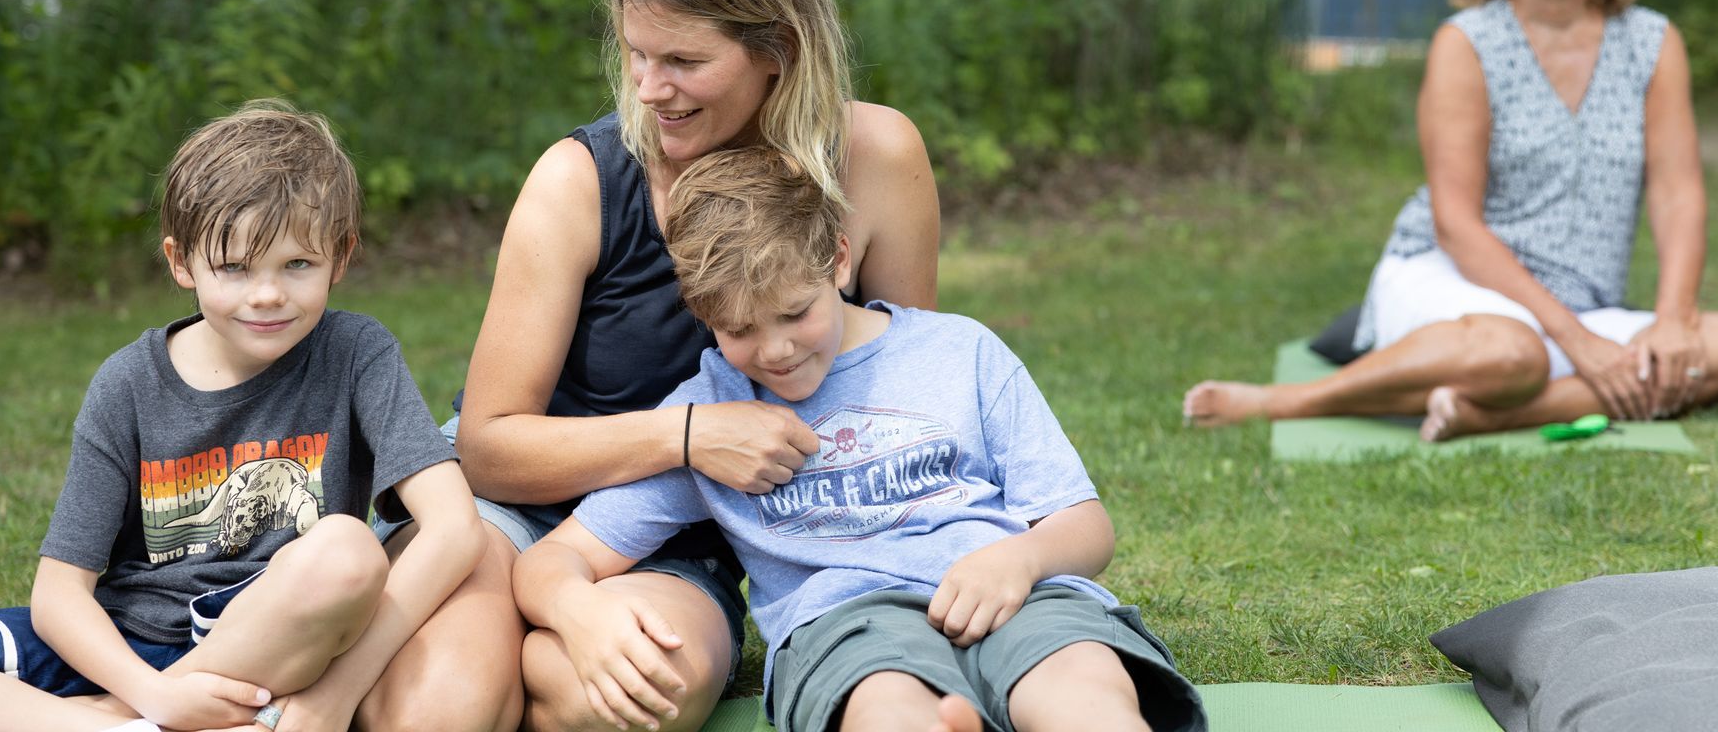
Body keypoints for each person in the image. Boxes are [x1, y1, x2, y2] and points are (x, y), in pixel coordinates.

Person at [376, 0, 942, 732]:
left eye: (682, 61)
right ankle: (486, 646)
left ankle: (512, 643)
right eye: (637, 56)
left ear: (777, 49)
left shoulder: (873, 160)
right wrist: (690, 436)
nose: (650, 88)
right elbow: (489, 446)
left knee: (643, 696)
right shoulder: (579, 179)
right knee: (443, 713)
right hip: (508, 508)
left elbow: (902, 397)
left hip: (675, 532)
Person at [514, 147, 1203, 732]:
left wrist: (1021, 561)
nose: (775, 351)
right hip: (848, 624)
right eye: (739, 330)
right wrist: (578, 614)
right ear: (702, 314)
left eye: (794, 312)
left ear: (839, 260)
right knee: (883, 709)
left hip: (1015, 591)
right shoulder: (711, 415)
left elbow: (1086, 526)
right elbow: (553, 561)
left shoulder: (960, 351)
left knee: (1084, 685)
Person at [1182, 0, 1718, 441]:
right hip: (1458, 282)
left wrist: (1674, 319)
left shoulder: (1653, 42)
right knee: (1514, 353)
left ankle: (1497, 413)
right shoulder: (1467, 44)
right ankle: (1295, 400)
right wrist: (1578, 341)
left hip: (1583, 304)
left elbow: (1678, 194)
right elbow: (1455, 226)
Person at [0, 101, 483, 732]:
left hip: (269, 643)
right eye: (234, 267)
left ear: (341, 257)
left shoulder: (356, 354)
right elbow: (58, 593)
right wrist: (150, 693)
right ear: (181, 261)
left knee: (349, 553)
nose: (267, 294)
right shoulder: (128, 383)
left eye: (297, 264)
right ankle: (127, 723)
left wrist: (340, 694)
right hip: (126, 642)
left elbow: (455, 529)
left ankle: (112, 720)